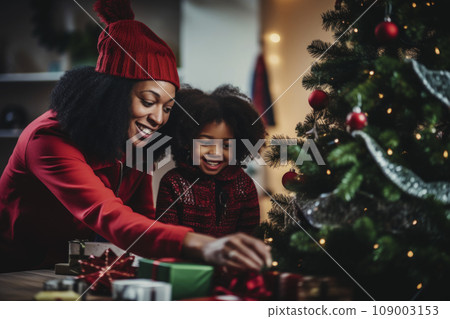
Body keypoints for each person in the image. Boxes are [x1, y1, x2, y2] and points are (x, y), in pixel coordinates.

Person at [0, 0, 271, 273]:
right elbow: (106, 213)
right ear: (112, 95)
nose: (158, 118)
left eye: (167, 108)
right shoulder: (47, 139)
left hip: (73, 268)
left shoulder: (138, 144)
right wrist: (203, 245)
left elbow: (142, 217)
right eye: (148, 100)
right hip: (15, 269)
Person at [155, 85, 266, 238]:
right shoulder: (173, 183)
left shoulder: (244, 186)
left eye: (226, 145)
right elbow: (167, 238)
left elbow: (250, 238)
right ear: (186, 141)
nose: (216, 153)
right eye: (206, 143)